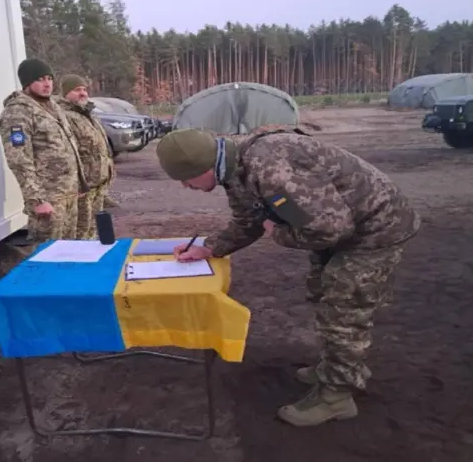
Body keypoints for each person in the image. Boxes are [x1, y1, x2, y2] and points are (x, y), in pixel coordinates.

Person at [154, 124, 421, 427]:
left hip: (376, 229)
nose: (185, 187)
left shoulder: (270, 168)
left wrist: (278, 232)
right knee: (322, 291)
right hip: (348, 228)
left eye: (185, 179)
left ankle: (336, 396)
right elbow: (249, 219)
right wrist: (211, 248)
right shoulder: (234, 166)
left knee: (343, 306)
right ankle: (338, 366)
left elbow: (329, 229)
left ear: (201, 166)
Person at [0, 59, 88, 243]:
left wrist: (79, 183)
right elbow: (19, 160)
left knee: (70, 251)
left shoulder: (52, 106)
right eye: (40, 79)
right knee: (47, 255)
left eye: (49, 78)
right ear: (27, 83)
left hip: (68, 194)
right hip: (49, 199)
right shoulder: (18, 111)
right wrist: (36, 200)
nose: (47, 84)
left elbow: (69, 145)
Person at [57, 74, 114, 239]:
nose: (82, 93)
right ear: (66, 93)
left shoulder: (88, 114)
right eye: (77, 90)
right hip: (82, 187)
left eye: (84, 89)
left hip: (98, 184)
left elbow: (100, 147)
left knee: (94, 230)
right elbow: (66, 154)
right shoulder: (65, 117)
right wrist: (76, 184)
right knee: (80, 233)